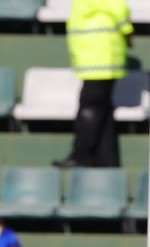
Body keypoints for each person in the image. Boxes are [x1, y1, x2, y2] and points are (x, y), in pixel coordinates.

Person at [50, 0, 132, 169]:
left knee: (89, 108)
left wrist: (127, 31)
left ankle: (82, 156)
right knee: (102, 111)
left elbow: (118, 7)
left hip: (100, 58)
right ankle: (107, 161)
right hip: (96, 59)